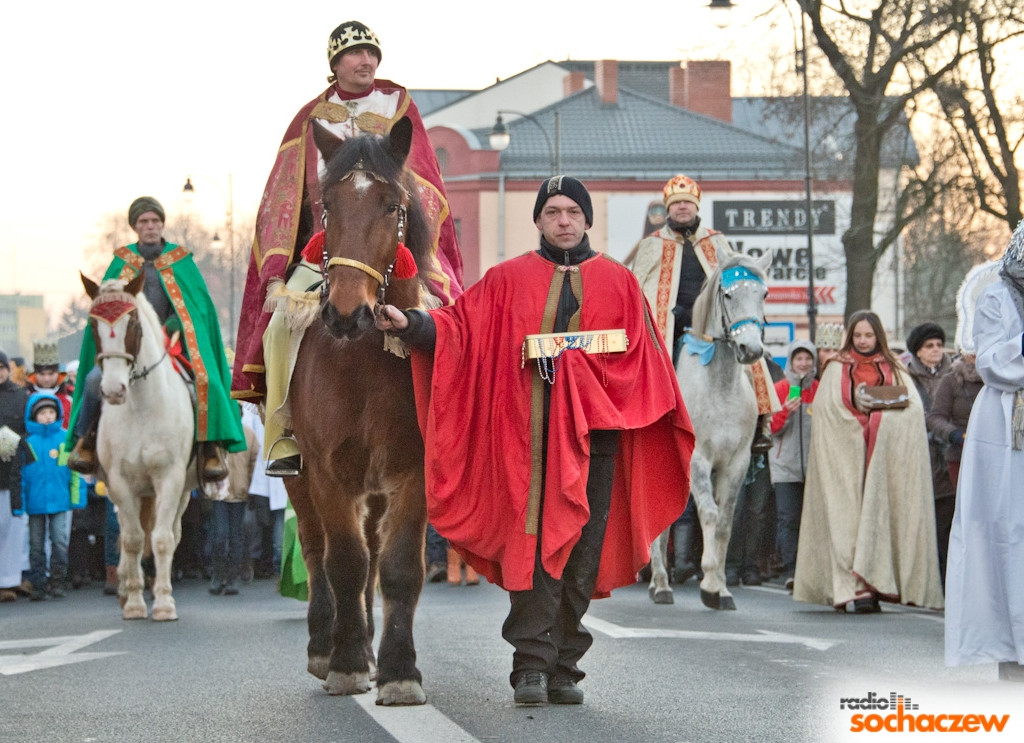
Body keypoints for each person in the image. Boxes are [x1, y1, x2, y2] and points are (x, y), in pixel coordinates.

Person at [375, 176, 694, 706]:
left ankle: (565, 666)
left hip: (598, 443)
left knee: (584, 554)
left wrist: (587, 378)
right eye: (552, 212)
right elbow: (458, 330)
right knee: (540, 550)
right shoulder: (507, 280)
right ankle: (530, 666)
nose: (563, 220)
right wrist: (408, 323)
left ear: (587, 220)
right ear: (539, 221)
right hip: (529, 445)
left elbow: (646, 363)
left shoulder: (619, 282)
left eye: (573, 211)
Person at [230, 20, 464, 476]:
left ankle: (447, 428)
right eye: (356, 54)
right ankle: (284, 438)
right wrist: (279, 265)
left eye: (372, 54)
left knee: (443, 321)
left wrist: (418, 247)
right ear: (335, 63)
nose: (367, 62)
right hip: (326, 252)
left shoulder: (399, 107)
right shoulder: (308, 120)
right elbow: (282, 197)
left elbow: (426, 185)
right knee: (280, 327)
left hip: (390, 250)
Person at [66, 196, 245, 482]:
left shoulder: (181, 260)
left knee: (206, 380)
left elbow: (197, 307)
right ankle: (85, 441)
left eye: (155, 221)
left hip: (171, 341)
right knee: (91, 381)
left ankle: (210, 447)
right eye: (143, 222)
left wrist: (176, 323)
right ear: (135, 227)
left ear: (162, 224)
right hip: (127, 346)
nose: (150, 226)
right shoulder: (121, 262)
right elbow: (108, 306)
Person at [793, 310, 944, 613]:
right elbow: (827, 412)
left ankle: (875, 585)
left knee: (878, 519)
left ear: (878, 336)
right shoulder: (837, 367)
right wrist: (859, 425)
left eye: (869, 335)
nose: (863, 341)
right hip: (845, 461)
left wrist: (881, 422)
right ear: (851, 335)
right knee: (844, 519)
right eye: (858, 335)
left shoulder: (894, 368)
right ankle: (851, 586)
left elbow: (913, 412)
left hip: (882, 462)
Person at [945, 222, 1024, 681]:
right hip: (1007, 431)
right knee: (1006, 537)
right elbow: (992, 361)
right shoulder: (998, 296)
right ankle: (1010, 649)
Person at [17, 392, 86, 600]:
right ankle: (38, 583)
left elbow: (75, 472)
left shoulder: (64, 439)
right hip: (34, 502)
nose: (47, 416)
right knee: (36, 544)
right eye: (42, 413)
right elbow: (19, 475)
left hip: (60, 500)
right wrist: (19, 503)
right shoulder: (26, 442)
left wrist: (77, 498)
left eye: (51, 412)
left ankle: (57, 581)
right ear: (33, 416)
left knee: (59, 540)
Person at [904, 321, 956, 583]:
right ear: (918, 351)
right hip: (920, 455)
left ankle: (947, 580)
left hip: (950, 453)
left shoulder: (956, 373)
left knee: (948, 523)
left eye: (938, 344)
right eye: (929, 345)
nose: (936, 349)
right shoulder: (907, 376)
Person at [767, 340, 818, 591]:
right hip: (785, 465)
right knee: (788, 518)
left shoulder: (820, 388)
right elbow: (770, 430)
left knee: (812, 519)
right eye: (799, 359)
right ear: (790, 361)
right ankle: (790, 568)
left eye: (808, 359)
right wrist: (785, 411)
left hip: (814, 465)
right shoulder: (780, 388)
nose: (804, 364)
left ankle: (811, 568)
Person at [208, 415, 259, 596]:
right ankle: (217, 576)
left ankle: (232, 579)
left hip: (239, 493)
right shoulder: (217, 434)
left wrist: (249, 486)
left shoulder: (249, 435)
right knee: (220, 535)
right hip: (219, 492)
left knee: (236, 536)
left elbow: (253, 464)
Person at [0, 349, 31, 602]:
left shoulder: (21, 396)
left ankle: (10, 580)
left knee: (13, 528)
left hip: (12, 471)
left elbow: (29, 428)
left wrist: (14, 442)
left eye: (1, 367)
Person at [26, 340, 72, 423]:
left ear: (58, 373)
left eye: (51, 374)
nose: (46, 379)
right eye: (42, 374)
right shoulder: (25, 396)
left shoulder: (70, 397)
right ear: (34, 374)